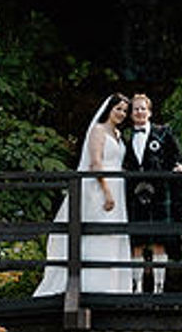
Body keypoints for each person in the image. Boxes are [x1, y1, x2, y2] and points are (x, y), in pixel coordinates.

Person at [35, 93, 132, 297]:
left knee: (113, 235)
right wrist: (107, 192)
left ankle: (113, 286)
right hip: (100, 187)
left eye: (124, 110)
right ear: (109, 109)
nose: (122, 114)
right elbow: (95, 163)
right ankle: (92, 285)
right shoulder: (98, 130)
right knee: (98, 232)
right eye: (118, 109)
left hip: (118, 185)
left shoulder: (118, 134)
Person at [122, 92, 182, 294]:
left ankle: (159, 288)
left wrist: (178, 167)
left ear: (149, 112)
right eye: (136, 109)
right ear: (131, 114)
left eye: (143, 108)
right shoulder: (125, 135)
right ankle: (137, 287)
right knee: (137, 242)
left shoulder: (163, 132)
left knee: (160, 242)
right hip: (135, 193)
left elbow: (174, 155)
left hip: (160, 193)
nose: (139, 112)